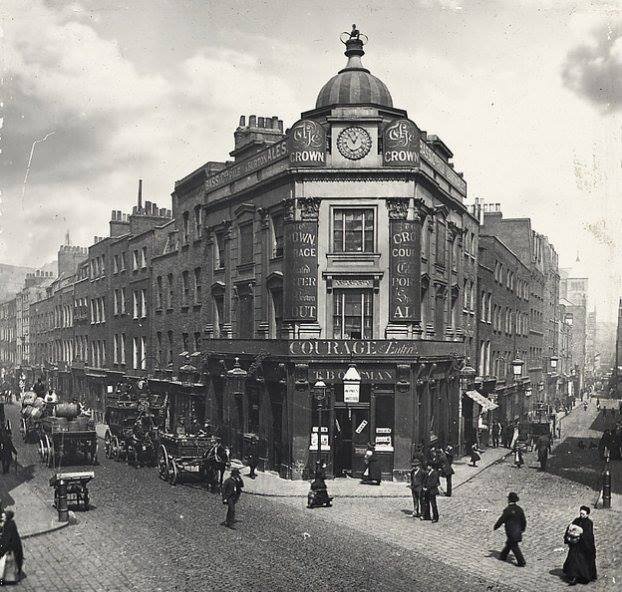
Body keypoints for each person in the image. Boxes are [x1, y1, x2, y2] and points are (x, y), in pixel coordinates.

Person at [563, 505, 597, 585]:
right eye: (581, 513)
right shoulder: (576, 520)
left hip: (584, 546)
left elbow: (589, 535)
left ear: (587, 514)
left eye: (583, 514)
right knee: (574, 560)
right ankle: (574, 577)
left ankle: (583, 576)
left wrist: (581, 534)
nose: (581, 515)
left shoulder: (589, 523)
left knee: (582, 561)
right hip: (576, 544)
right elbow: (570, 528)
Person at [493, 492, 526, 567]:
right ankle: (503, 556)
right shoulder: (519, 509)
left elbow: (501, 519)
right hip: (518, 530)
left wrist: (496, 526)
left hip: (510, 531)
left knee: (514, 546)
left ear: (509, 500)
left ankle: (521, 561)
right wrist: (523, 529)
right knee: (509, 543)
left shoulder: (507, 510)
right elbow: (523, 520)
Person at [0, 510, 24, 584]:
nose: (2, 517)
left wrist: (2, 552)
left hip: (11, 549)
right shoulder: (11, 523)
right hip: (14, 547)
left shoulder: (9, 526)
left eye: (3, 517)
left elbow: (6, 540)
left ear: (7, 517)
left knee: (6, 564)